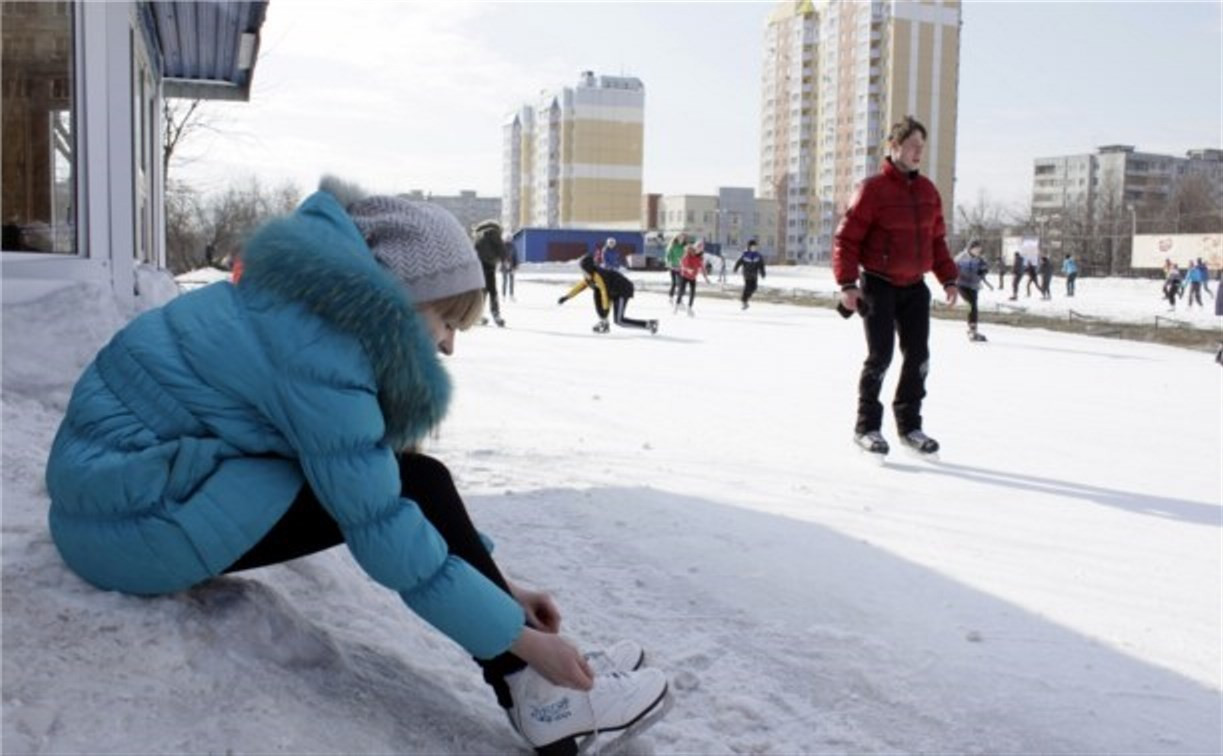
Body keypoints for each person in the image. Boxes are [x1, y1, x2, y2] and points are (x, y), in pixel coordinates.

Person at [43, 177, 670, 754]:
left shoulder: (301, 306)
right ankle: (542, 698)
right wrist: (521, 638)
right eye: (446, 319)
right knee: (406, 485)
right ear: (403, 298)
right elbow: (383, 525)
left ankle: (540, 681)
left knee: (404, 476)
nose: (449, 344)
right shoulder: (323, 346)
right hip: (130, 523)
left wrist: (499, 587)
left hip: (125, 495)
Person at [832, 115, 958, 456]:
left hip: (915, 287)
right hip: (878, 285)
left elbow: (937, 242)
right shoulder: (871, 190)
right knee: (881, 356)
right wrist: (847, 284)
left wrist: (948, 277)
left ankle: (910, 426)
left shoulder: (929, 191)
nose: (918, 152)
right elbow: (846, 240)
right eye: (912, 145)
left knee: (918, 358)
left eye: (922, 147)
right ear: (894, 146)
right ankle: (867, 427)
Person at [557, 254, 658, 334]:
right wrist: (566, 297)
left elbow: (604, 291)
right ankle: (604, 323)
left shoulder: (598, 275)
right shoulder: (590, 277)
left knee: (619, 320)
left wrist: (605, 309)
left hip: (622, 290)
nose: (582, 272)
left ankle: (649, 324)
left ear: (588, 268)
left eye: (583, 270)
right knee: (596, 292)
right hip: (613, 291)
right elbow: (580, 287)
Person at [473, 219, 506, 327]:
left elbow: (473, 250)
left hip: (478, 266)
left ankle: (477, 314)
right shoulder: (493, 232)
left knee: (481, 291)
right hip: (489, 265)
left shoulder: (478, 235)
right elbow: (500, 247)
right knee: (492, 291)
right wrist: (504, 260)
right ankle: (496, 314)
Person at [955, 239, 989, 342]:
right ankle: (972, 330)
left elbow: (984, 268)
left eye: (979, 249)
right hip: (961, 285)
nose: (978, 250)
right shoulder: (961, 257)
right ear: (971, 248)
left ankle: (973, 330)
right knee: (971, 304)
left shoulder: (980, 259)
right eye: (976, 248)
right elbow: (952, 267)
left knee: (974, 306)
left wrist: (983, 271)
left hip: (973, 286)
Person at [674, 239, 712, 316]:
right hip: (684, 276)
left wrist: (706, 278)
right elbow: (682, 264)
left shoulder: (700, 257)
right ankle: (677, 306)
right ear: (695, 247)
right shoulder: (688, 253)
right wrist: (688, 269)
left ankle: (689, 308)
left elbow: (702, 268)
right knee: (682, 291)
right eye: (698, 247)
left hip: (693, 277)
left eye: (701, 248)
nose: (699, 249)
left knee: (693, 293)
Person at [733, 239, 767, 310]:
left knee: (754, 287)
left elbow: (761, 265)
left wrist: (762, 272)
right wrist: (735, 268)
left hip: (754, 275)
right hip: (747, 274)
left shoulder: (758, 256)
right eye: (752, 247)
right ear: (749, 247)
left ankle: (745, 299)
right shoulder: (745, 255)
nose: (754, 248)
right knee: (748, 287)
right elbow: (739, 262)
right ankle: (744, 300)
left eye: (755, 247)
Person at [665, 233, 687, 303]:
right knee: (674, 282)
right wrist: (669, 262)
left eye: (683, 238)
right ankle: (671, 296)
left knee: (681, 283)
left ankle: (680, 296)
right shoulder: (673, 246)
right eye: (680, 238)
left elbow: (688, 256)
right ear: (677, 238)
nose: (681, 239)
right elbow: (668, 255)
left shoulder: (685, 247)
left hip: (681, 268)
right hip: (673, 267)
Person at [501, 235, 519, 302]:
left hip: (512, 266)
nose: (508, 239)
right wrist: (504, 262)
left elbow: (516, 256)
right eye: (507, 238)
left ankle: (511, 295)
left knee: (511, 282)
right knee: (505, 281)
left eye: (509, 238)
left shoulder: (513, 247)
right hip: (504, 266)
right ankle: (503, 296)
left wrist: (516, 265)